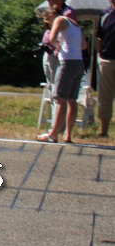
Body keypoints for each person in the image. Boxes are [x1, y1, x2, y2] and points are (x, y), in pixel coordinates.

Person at [37, 8, 84, 144]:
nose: (50, 25)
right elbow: (84, 44)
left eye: (48, 22)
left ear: (52, 15)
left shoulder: (59, 19)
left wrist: (58, 47)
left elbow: (51, 38)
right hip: (79, 62)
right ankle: (67, 135)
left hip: (67, 63)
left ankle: (53, 134)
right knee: (72, 100)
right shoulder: (75, 25)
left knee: (60, 99)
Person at [96, 0, 115, 138]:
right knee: (104, 97)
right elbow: (99, 37)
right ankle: (103, 131)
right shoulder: (104, 13)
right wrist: (99, 55)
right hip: (106, 60)